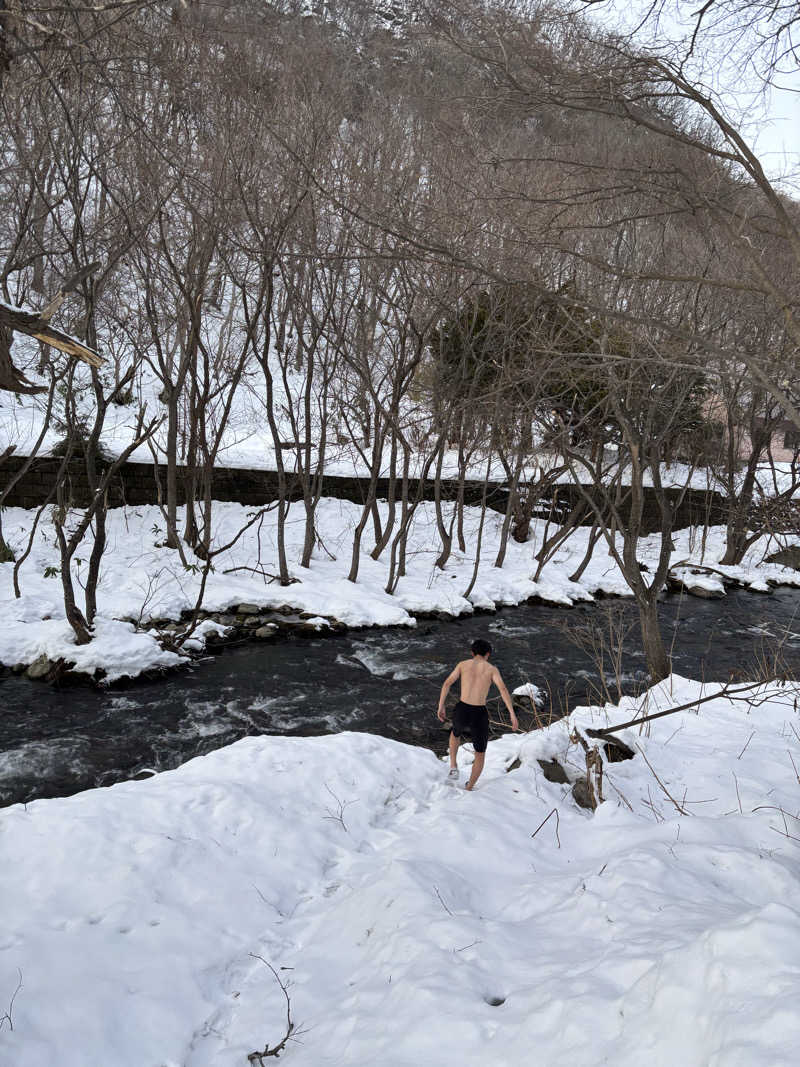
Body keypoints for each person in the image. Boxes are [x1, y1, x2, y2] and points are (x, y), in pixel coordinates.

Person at [437, 638, 519, 790]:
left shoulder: (463, 664)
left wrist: (441, 705)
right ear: (488, 654)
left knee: (455, 734)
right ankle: (470, 787)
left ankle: (453, 766)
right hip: (479, 712)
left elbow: (447, 683)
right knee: (480, 752)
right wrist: (512, 714)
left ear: (472, 653)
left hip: (462, 708)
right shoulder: (491, 669)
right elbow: (503, 690)